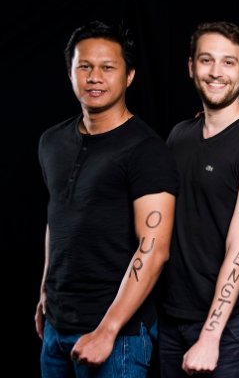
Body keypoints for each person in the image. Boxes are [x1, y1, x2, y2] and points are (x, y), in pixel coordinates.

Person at [35, 20, 179, 377]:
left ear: (128, 75)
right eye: (84, 66)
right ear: (70, 72)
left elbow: (155, 249)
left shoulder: (146, 151)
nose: (94, 77)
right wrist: (45, 290)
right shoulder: (51, 142)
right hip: (56, 328)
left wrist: (107, 330)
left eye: (107, 67)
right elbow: (58, 218)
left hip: (118, 338)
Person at [158, 21, 239, 377]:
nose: (216, 72)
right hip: (173, 317)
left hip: (230, 327)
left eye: (229, 63)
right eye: (206, 60)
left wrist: (211, 336)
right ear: (191, 67)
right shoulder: (179, 136)